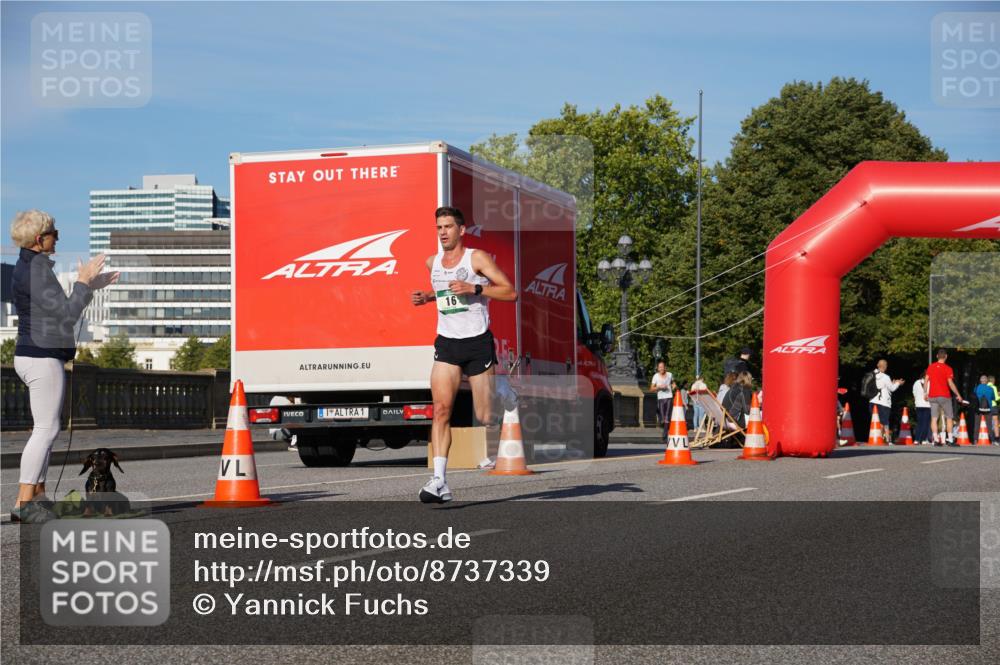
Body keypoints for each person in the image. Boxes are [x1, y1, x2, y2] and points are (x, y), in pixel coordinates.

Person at [9, 210, 118, 523]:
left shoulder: (30, 266)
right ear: (39, 239)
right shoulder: (36, 271)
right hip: (42, 356)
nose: (57, 237)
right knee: (47, 429)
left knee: (46, 429)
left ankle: (38, 499)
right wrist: (83, 282)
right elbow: (67, 316)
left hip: (33, 353)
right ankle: (24, 503)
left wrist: (89, 286)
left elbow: (62, 310)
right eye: (54, 233)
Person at [410, 206, 516, 503]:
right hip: (447, 343)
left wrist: (475, 288)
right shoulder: (432, 263)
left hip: (477, 342)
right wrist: (428, 297)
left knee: (485, 416)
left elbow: (510, 292)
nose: (442, 232)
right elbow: (446, 294)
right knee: (441, 410)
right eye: (439, 227)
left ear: (461, 230)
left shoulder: (476, 258)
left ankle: (503, 389)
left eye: (448, 227)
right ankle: (439, 480)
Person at [925, 349, 966, 446]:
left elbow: (926, 380)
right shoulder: (948, 368)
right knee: (949, 418)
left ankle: (935, 440)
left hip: (932, 396)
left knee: (934, 418)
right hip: (944, 396)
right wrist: (958, 395)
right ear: (946, 356)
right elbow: (950, 383)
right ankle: (950, 440)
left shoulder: (931, 367)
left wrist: (925, 393)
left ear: (937, 356)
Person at [868, 359, 904, 443]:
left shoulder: (871, 375)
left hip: (872, 401)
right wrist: (898, 383)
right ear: (885, 366)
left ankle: (876, 438)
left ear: (878, 365)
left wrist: (892, 383)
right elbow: (892, 388)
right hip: (883, 403)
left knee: (875, 421)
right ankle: (886, 440)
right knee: (884, 422)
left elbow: (882, 386)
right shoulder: (885, 377)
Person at [649, 361, 673, 428]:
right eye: (660, 367)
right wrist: (659, 387)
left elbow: (673, 383)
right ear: (658, 368)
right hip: (661, 398)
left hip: (669, 396)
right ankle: (664, 427)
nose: (661, 368)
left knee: (667, 416)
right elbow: (651, 389)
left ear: (665, 367)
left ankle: (666, 430)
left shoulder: (670, 374)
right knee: (662, 418)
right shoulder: (655, 376)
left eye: (662, 367)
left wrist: (674, 386)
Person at [974, 375, 996, 444]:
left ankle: (975, 440)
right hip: (988, 408)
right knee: (989, 425)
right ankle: (992, 440)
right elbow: (993, 398)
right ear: (987, 381)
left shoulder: (976, 388)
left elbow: (974, 396)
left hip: (978, 408)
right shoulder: (990, 389)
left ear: (980, 380)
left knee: (977, 424)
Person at [912, 370, 932, 445]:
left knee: (919, 422)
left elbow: (914, 393)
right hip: (927, 405)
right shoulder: (930, 383)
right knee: (926, 423)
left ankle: (916, 439)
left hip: (918, 405)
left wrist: (916, 402)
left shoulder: (916, 382)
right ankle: (923, 439)